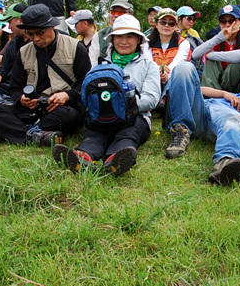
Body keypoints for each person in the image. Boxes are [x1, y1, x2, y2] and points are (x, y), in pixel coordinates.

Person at [53, 15, 161, 177]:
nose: (124, 41)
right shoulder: (99, 65)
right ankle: (82, 157)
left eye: (129, 36)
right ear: (112, 39)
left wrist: (123, 104)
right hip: (102, 118)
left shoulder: (149, 65)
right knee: (94, 134)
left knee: (128, 134)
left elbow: (152, 99)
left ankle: (115, 159)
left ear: (138, 40)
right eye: (119, 36)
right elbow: (86, 93)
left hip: (135, 117)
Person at [0, 4, 90, 146]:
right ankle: (37, 135)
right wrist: (21, 99)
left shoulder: (75, 47)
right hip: (31, 109)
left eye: (39, 33)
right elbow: (15, 88)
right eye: (31, 34)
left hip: (60, 108)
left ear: (52, 27)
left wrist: (67, 95)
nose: (36, 38)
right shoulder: (23, 52)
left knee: (68, 116)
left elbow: (86, 83)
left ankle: (16, 132)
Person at [162, 57, 240, 185]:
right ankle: (181, 130)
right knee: (184, 67)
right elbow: (194, 88)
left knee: (233, 116)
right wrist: (223, 93)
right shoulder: (235, 95)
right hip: (198, 114)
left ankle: (227, 161)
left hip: (220, 124)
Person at [193, 4, 240, 93]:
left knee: (238, 63)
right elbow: (195, 54)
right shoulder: (218, 39)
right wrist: (219, 38)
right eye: (223, 21)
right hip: (221, 85)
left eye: (232, 21)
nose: (227, 25)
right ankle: (212, 97)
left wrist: (211, 55)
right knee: (210, 62)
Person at [147, 8, 191, 88]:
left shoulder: (183, 43)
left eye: (171, 23)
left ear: (176, 26)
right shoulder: (146, 43)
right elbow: (148, 63)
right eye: (163, 22)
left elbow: (177, 63)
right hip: (152, 79)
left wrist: (165, 74)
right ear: (156, 24)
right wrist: (158, 71)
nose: (166, 25)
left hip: (175, 81)